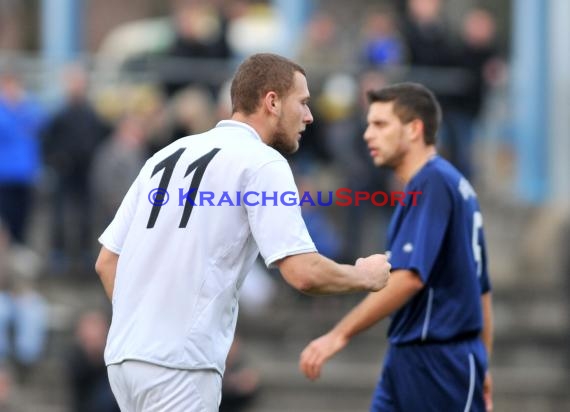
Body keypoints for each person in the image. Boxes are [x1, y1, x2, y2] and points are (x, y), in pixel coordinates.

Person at [94, 53, 391, 411]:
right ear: (272, 102)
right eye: (304, 102)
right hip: (181, 365)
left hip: (126, 359)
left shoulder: (164, 156)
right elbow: (302, 273)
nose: (310, 116)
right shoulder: (263, 162)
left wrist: (145, 325)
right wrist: (364, 276)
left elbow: (107, 261)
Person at [299, 83, 494, 412]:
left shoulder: (432, 182)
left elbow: (409, 278)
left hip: (437, 361)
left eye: (380, 124)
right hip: (411, 357)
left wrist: (339, 334)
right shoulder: (449, 184)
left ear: (415, 129)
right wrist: (483, 364)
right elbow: (482, 292)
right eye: (368, 124)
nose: (367, 135)